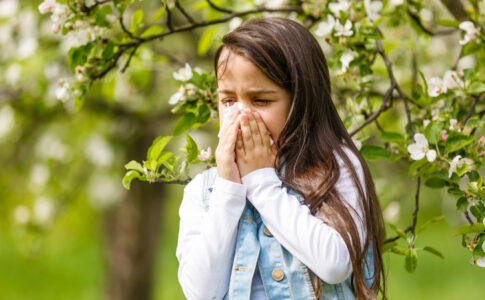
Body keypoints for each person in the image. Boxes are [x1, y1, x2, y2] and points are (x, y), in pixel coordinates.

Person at [176, 17, 387, 300]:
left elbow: (335, 264)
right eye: (228, 100)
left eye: (261, 101)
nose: (241, 115)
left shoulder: (337, 169)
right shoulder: (203, 192)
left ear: (301, 100)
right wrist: (229, 188)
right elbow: (200, 292)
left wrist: (261, 181)